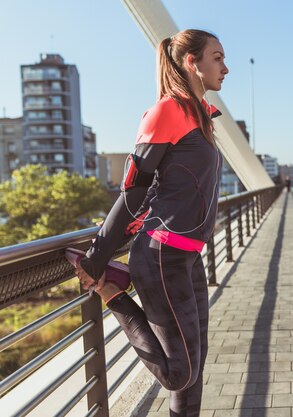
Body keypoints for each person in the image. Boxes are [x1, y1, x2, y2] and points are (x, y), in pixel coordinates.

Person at [73, 29, 228, 417]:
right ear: (192, 62)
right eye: (217, 57)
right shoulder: (166, 112)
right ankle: (111, 291)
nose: (226, 68)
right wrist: (96, 258)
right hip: (161, 254)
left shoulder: (201, 118)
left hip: (189, 256)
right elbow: (133, 191)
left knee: (195, 369)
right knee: (179, 374)